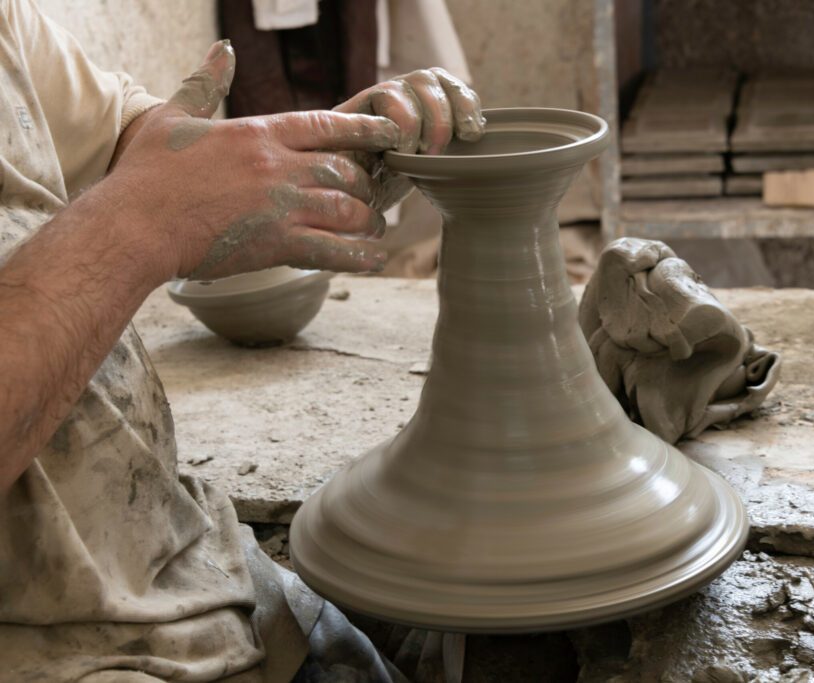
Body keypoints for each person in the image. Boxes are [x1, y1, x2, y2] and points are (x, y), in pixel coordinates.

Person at [0, 0, 484, 680]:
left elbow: (143, 152)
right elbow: (141, 203)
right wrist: (140, 218)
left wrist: (323, 153)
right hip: (58, 651)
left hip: (176, 559)